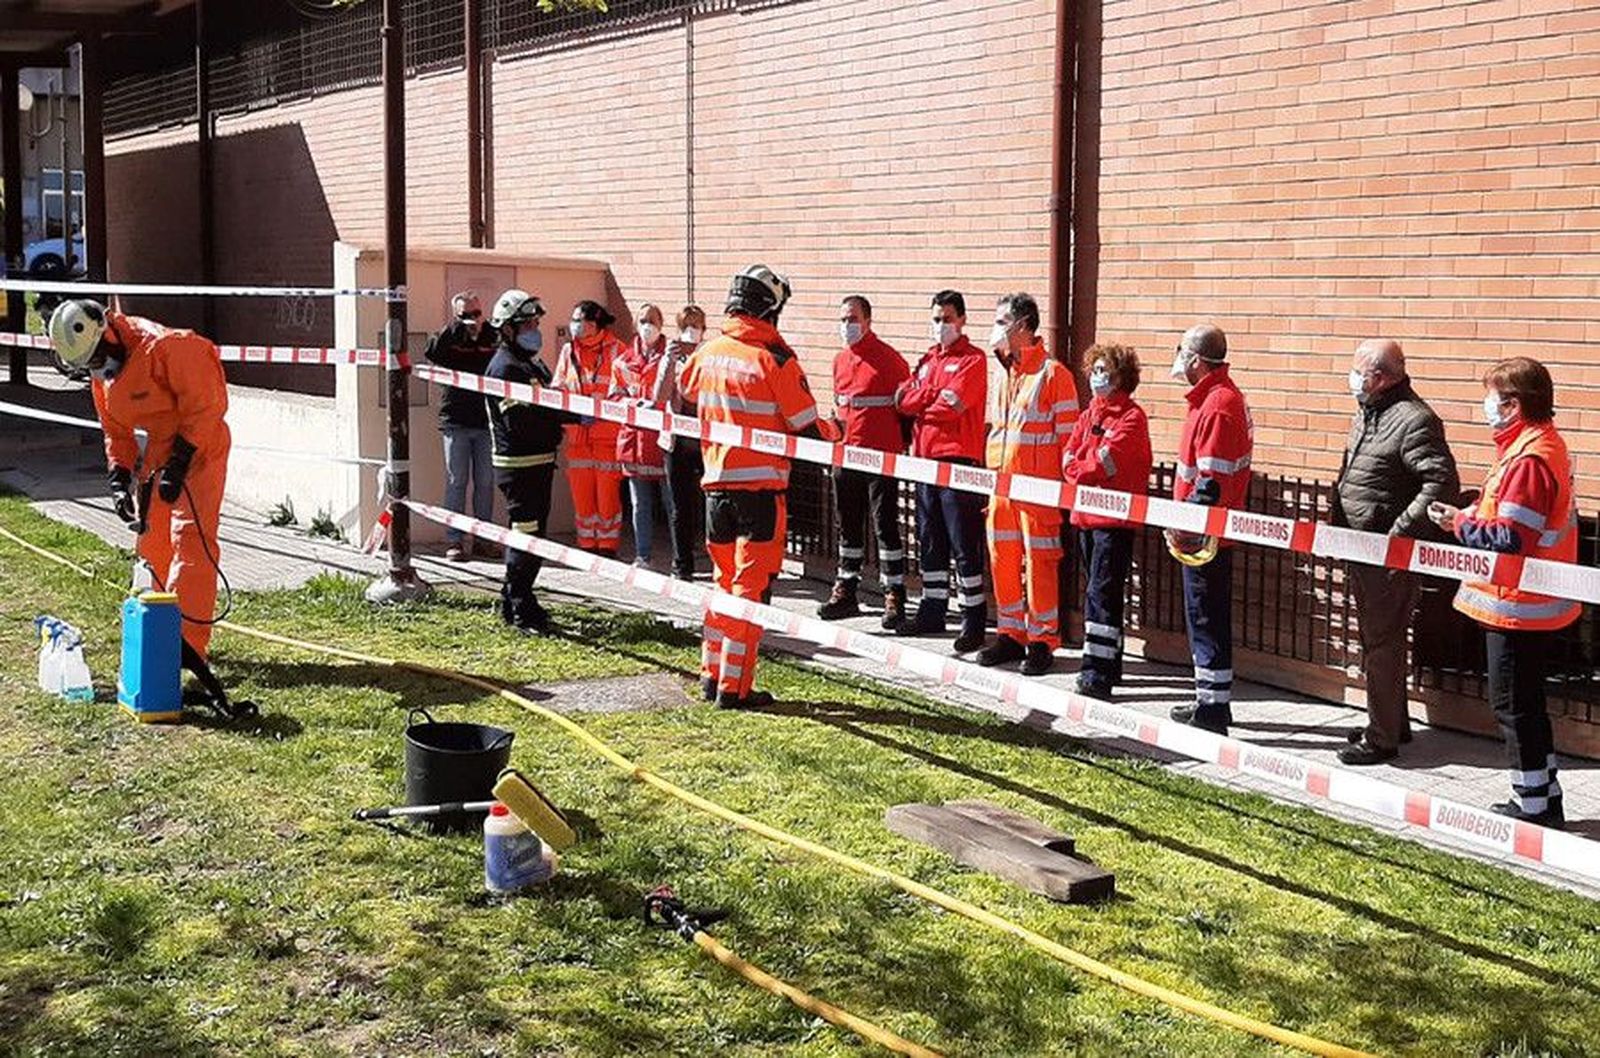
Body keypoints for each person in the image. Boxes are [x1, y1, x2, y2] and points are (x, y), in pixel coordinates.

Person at [48, 299, 236, 711]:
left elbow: (207, 406)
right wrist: (119, 477)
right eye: (87, 364)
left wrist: (182, 461)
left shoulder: (168, 348)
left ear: (106, 334)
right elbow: (115, 431)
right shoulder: (102, 370)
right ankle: (158, 632)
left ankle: (188, 648)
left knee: (190, 541)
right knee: (152, 546)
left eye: (96, 359)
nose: (96, 368)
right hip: (161, 454)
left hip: (200, 450)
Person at [1429, 358, 1581, 827]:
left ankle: (1532, 804)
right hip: (1526, 603)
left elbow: (1512, 537)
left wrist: (1460, 523)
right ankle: (1544, 794)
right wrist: (1473, 512)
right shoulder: (1534, 446)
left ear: (1513, 404)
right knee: (1526, 704)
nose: (1487, 405)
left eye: (1492, 397)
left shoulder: (1530, 457)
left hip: (1519, 605)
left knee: (1513, 706)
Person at [679, 265, 839, 709]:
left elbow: (685, 388)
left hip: (715, 489)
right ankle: (735, 689)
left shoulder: (709, 352)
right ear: (769, 309)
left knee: (722, 583)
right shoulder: (775, 360)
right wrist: (838, 432)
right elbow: (807, 428)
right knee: (749, 592)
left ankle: (711, 675)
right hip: (760, 495)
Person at [1331, 339, 1459, 765]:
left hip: (1387, 552)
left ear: (1381, 377)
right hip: (1361, 545)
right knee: (1377, 640)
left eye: (1358, 371)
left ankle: (1381, 739)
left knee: (1382, 644)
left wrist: (1399, 535)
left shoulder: (1414, 419)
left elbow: (1441, 483)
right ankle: (1391, 721)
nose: (1352, 379)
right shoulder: (1369, 411)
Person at [978, 293, 1077, 675]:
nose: (997, 329)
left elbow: (1069, 439)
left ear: (1023, 326)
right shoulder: (1003, 373)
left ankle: (1041, 640)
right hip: (1002, 488)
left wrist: (1066, 492)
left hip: (1039, 491)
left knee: (1040, 565)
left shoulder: (1053, 375)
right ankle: (1010, 633)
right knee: (1002, 560)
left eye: (1002, 321)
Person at [1165, 323, 1252, 735]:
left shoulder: (1217, 404)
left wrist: (1186, 526)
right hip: (1205, 530)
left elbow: (1210, 483)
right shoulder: (1215, 398)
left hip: (1206, 535)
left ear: (1196, 360)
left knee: (1206, 617)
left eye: (1181, 351)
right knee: (1204, 617)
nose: (1177, 359)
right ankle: (1208, 698)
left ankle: (1214, 709)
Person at [893, 289, 988, 653]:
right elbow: (902, 400)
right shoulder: (928, 359)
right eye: (936, 319)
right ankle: (932, 611)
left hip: (958, 463)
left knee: (964, 544)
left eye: (947, 319)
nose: (941, 325)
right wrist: (928, 396)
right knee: (930, 540)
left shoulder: (973, 360)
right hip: (924, 462)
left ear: (962, 319)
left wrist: (922, 401)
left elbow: (952, 406)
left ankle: (973, 620)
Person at [1062, 343, 1152, 698]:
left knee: (1101, 594)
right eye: (1095, 370)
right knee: (1101, 593)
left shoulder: (1131, 417)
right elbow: (1069, 455)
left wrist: (1080, 465)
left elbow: (1105, 464)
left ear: (1121, 378)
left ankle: (1096, 674)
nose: (1097, 377)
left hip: (1114, 522)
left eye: (1105, 371)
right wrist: (1081, 464)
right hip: (1086, 517)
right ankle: (1110, 663)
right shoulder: (1090, 414)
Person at [817, 295, 911, 628]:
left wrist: (901, 448)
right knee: (847, 525)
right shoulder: (839, 361)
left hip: (881, 457)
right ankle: (846, 589)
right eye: (843, 319)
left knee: (885, 526)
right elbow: (840, 406)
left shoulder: (889, 359)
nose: (847, 325)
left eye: (853, 319)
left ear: (868, 321)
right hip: (846, 454)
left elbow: (906, 408)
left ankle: (894, 593)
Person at [483, 289, 564, 635]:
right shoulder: (505, 368)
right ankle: (520, 608)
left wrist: (577, 413)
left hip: (538, 464)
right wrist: (559, 424)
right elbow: (521, 423)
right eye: (527, 324)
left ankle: (517, 598)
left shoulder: (530, 364)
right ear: (508, 329)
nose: (535, 330)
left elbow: (546, 405)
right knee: (526, 537)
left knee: (533, 537)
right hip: (519, 468)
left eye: (535, 323)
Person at [424, 291, 500, 562]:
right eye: (465, 315)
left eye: (476, 314)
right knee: (456, 481)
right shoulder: (451, 336)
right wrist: (456, 327)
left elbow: (505, 356)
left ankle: (483, 539)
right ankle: (454, 540)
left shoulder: (492, 335)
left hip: (485, 421)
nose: (472, 320)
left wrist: (483, 328)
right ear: (456, 315)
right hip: (456, 420)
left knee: (486, 482)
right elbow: (432, 352)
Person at [554, 300, 627, 554]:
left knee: (607, 497)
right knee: (582, 497)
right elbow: (559, 386)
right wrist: (572, 413)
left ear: (594, 324)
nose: (574, 324)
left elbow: (625, 392)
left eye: (579, 320)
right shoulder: (568, 351)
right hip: (577, 438)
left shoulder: (617, 350)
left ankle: (607, 545)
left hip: (607, 436)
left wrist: (601, 411)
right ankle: (587, 544)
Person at [610, 303, 673, 568]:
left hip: (663, 441)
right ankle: (643, 556)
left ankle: (679, 559)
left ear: (661, 325)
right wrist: (634, 404)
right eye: (644, 320)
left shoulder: (671, 357)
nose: (648, 326)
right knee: (640, 505)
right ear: (636, 324)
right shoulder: (623, 361)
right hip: (634, 442)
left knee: (671, 505)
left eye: (653, 321)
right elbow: (614, 397)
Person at [653, 305, 708, 580]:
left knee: (712, 504)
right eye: (686, 325)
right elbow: (659, 397)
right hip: (676, 443)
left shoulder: (710, 356)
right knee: (680, 508)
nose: (691, 331)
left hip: (706, 443)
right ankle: (681, 564)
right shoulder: (671, 357)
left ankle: (715, 560)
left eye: (696, 325)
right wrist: (669, 362)